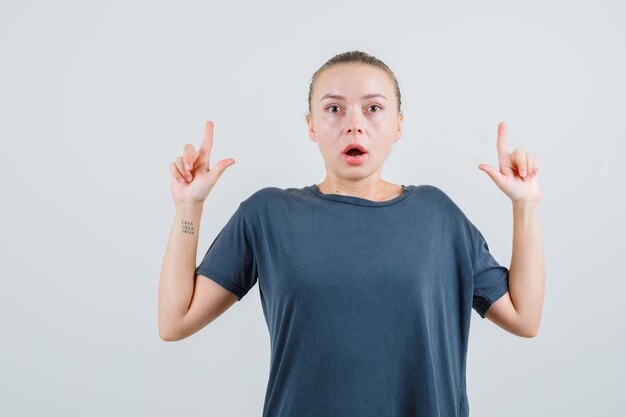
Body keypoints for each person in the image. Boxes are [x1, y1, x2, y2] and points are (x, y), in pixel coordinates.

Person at [158, 50, 545, 417]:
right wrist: (189, 208)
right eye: (334, 109)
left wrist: (525, 206)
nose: (354, 123)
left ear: (398, 125)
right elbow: (175, 321)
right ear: (311, 124)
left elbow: (523, 317)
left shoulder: (438, 216)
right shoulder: (267, 215)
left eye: (373, 108)